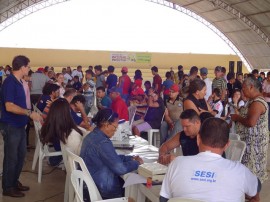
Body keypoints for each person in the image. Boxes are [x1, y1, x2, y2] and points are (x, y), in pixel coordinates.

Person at [160, 118, 261, 202]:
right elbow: (256, 188)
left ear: (198, 139)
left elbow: (163, 199)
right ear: (227, 145)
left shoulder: (177, 164)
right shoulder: (239, 170)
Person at [1, 55, 41, 197]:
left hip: (19, 125)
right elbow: (9, 106)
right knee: (11, 157)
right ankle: (8, 187)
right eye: (28, 66)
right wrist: (28, 113)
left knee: (20, 155)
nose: (29, 69)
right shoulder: (10, 83)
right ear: (22, 67)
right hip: (11, 126)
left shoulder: (19, 82)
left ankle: (14, 181)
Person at [80, 109, 143, 199]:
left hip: (90, 184)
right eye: (115, 127)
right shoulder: (102, 142)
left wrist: (130, 158)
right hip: (101, 188)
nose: (115, 130)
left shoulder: (91, 136)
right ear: (106, 125)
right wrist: (137, 163)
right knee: (135, 190)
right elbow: (120, 169)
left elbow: (112, 158)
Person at [231, 75, 269, 183]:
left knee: (253, 170)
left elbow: (251, 122)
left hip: (254, 144)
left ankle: (255, 196)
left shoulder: (257, 103)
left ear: (251, 87)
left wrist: (237, 117)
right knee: (248, 169)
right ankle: (250, 192)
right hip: (249, 142)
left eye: (244, 89)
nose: (242, 92)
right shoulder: (252, 101)